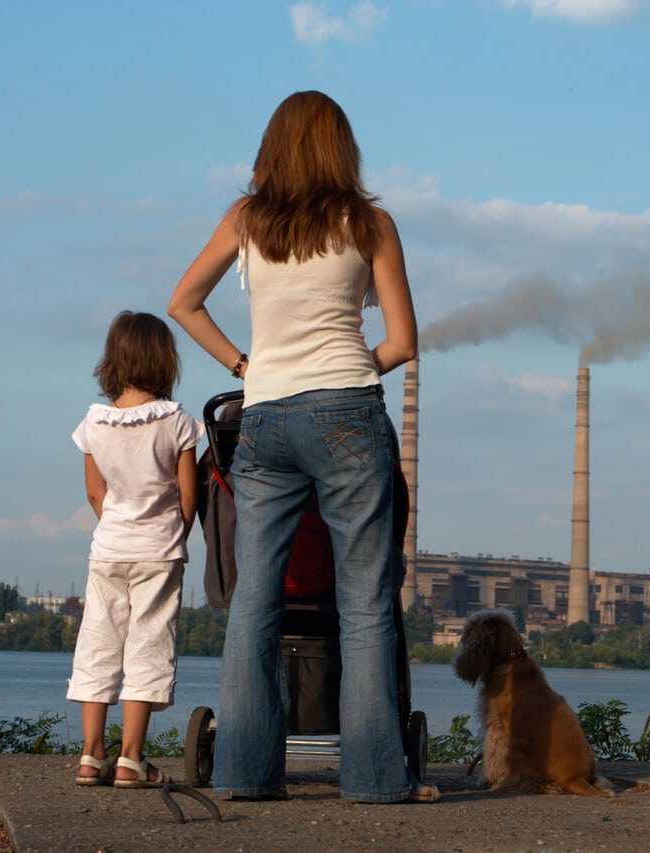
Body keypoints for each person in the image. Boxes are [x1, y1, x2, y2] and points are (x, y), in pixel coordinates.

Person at [168, 90, 437, 803]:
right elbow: (404, 342)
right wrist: (348, 369)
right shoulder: (371, 223)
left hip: (265, 418)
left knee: (254, 597)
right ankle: (377, 778)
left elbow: (182, 302)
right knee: (366, 601)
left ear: (274, 148)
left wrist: (243, 366)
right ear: (341, 148)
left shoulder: (246, 220)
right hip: (348, 413)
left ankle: (246, 774)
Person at [67, 310, 204, 788]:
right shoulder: (178, 422)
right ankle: (131, 759)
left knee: (98, 643)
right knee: (148, 646)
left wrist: (117, 528)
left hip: (108, 549)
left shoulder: (94, 423)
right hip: (159, 550)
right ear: (164, 361)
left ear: (113, 361)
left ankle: (90, 755)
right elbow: (189, 495)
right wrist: (174, 534)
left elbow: (94, 494)